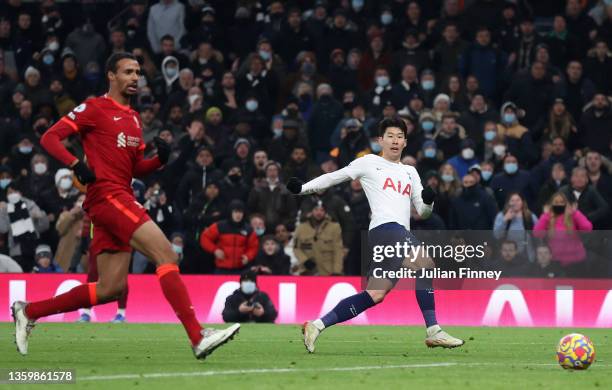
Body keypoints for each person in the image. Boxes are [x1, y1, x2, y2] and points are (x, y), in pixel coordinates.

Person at [12, 53, 239, 360]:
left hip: (117, 196)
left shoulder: (133, 118)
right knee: (167, 254)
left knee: (109, 288)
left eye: (137, 73)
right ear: (111, 76)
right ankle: (197, 336)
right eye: (128, 72)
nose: (135, 77)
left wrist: (160, 159)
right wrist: (76, 163)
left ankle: (29, 311)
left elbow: (134, 169)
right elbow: (51, 138)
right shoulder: (95, 107)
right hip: (108, 197)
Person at [287, 116, 464, 353]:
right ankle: (434, 330)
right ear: (380, 140)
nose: (394, 140)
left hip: (394, 234)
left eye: (399, 137)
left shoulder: (410, 172)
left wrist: (430, 201)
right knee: (425, 264)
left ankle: (316, 325)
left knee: (375, 294)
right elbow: (333, 177)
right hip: (386, 229)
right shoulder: (368, 162)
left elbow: (422, 211)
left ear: (405, 142)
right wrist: (303, 189)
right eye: (390, 136)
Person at [200, 199, 259, 274]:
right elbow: (205, 238)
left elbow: (253, 247)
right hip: (221, 269)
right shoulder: (220, 226)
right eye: (235, 212)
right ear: (230, 213)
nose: (238, 215)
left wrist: (248, 256)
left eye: (240, 212)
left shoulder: (248, 229)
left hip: (241, 269)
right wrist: (215, 250)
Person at [293, 201, 344, 276]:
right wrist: (305, 261)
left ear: (325, 212)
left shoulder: (334, 227)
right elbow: (296, 248)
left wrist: (337, 271)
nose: (319, 213)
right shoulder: (301, 228)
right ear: (311, 211)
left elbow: (338, 250)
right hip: (307, 271)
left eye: (322, 210)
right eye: (316, 210)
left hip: (328, 271)